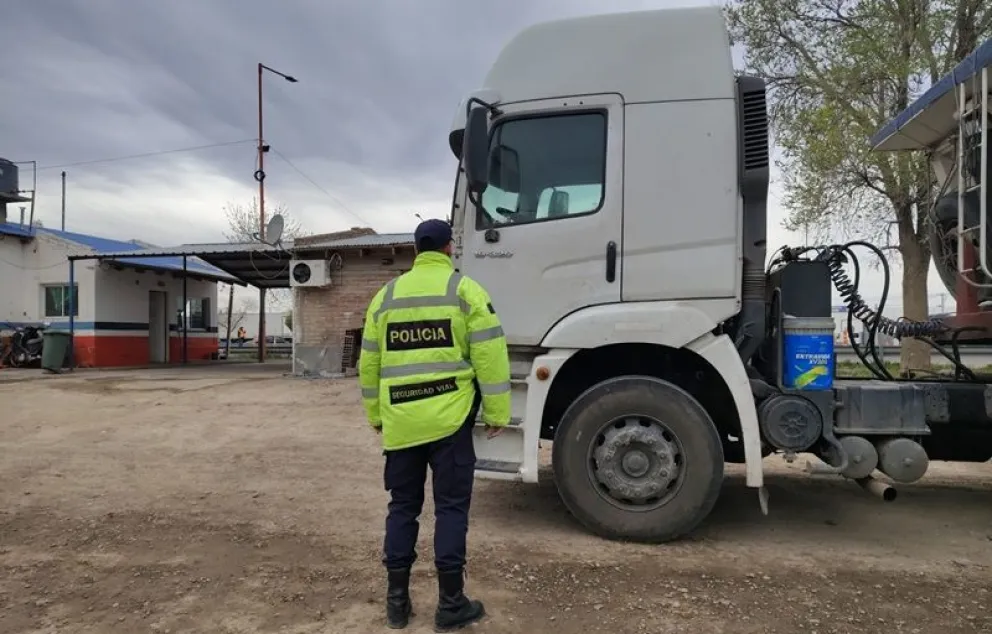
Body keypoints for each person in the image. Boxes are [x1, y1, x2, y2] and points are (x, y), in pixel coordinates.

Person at [358, 218, 511, 631]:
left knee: (402, 508)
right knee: (450, 509)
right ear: (448, 249)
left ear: (415, 250)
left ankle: (396, 604)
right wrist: (497, 413)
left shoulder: (385, 298)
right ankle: (450, 605)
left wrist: (376, 416)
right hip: (451, 422)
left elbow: (368, 364)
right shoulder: (464, 291)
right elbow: (490, 357)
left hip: (402, 425)